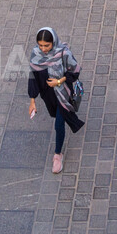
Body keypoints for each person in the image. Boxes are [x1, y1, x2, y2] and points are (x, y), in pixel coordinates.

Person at [27, 27, 84, 173]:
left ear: (53, 42)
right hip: (49, 94)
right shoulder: (35, 54)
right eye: (40, 45)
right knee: (57, 117)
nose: (43, 49)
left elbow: (75, 71)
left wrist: (59, 82)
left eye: (47, 45)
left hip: (63, 92)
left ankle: (57, 154)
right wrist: (32, 100)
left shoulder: (63, 53)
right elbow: (33, 78)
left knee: (59, 124)